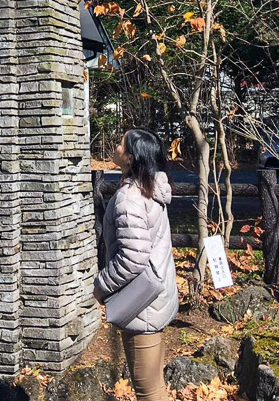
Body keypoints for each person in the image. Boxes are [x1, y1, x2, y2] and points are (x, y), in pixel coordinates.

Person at [93, 129, 178, 401]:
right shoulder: (152, 188)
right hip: (157, 298)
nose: (116, 147)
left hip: (143, 306)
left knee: (149, 392)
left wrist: (101, 285)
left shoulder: (130, 198)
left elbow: (134, 257)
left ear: (130, 157)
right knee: (155, 387)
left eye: (121, 143)